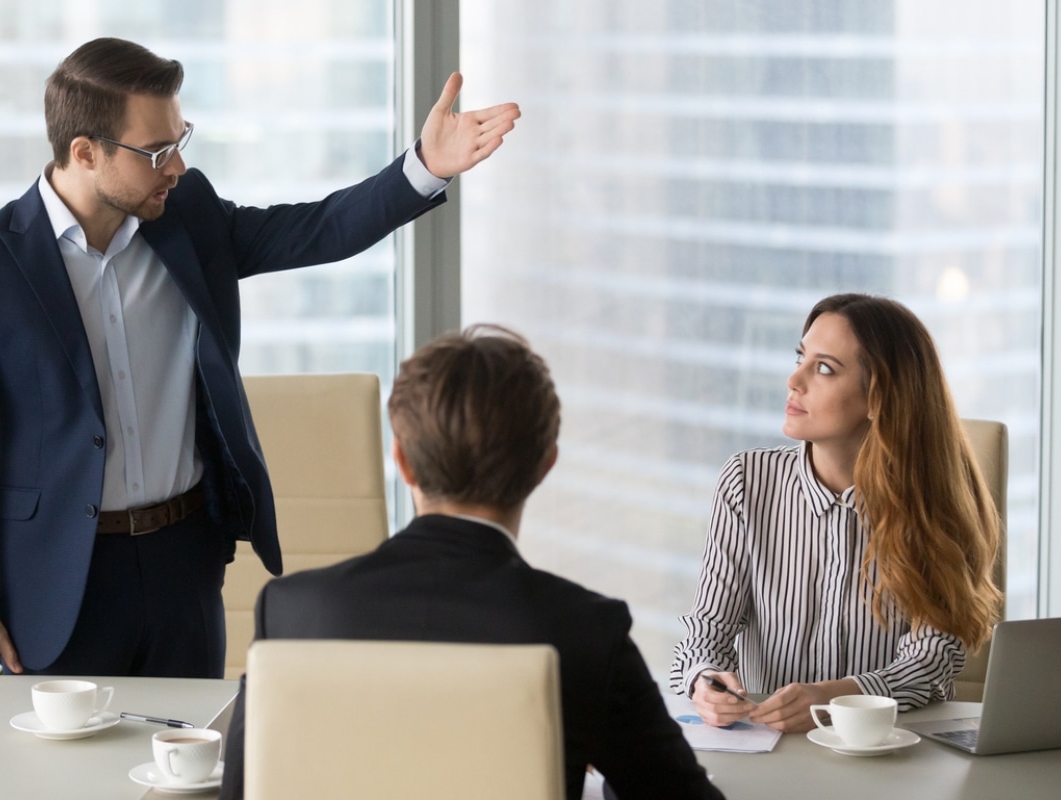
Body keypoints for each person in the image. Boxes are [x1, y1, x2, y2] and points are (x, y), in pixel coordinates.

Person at [0, 37, 521, 679]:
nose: (175, 166)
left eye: (182, 140)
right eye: (156, 151)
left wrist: (426, 165)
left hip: (184, 561)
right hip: (55, 577)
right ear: (84, 153)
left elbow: (318, 228)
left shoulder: (187, 217)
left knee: (190, 767)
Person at [220, 324, 724, 800]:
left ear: (401, 461)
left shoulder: (291, 611)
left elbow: (242, 790)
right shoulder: (586, 630)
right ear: (545, 464)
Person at [669, 293, 1002, 732]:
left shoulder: (933, 501)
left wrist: (836, 697)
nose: (794, 380)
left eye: (824, 368)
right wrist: (704, 680)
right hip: (772, 753)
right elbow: (708, 626)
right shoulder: (746, 482)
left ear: (878, 397)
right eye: (800, 357)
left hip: (889, 754)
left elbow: (931, 662)